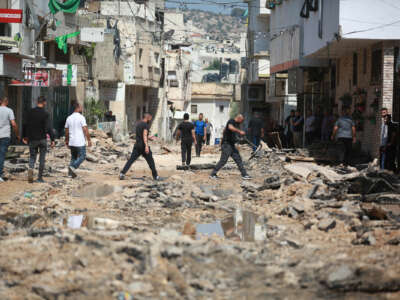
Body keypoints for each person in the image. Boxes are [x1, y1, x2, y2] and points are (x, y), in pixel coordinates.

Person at [119, 113, 162, 181]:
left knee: (131, 160)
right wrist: (146, 146)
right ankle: (156, 176)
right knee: (151, 162)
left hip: (137, 145)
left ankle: (122, 174)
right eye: (150, 118)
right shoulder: (146, 125)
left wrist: (150, 137)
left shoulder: (138, 124)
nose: (150, 119)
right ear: (148, 117)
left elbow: (142, 135)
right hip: (143, 146)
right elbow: (144, 135)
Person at [23, 97, 55, 183]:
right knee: (42, 158)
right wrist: (52, 139)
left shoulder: (30, 112)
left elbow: (25, 125)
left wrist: (25, 136)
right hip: (42, 139)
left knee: (32, 156)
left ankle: (31, 168)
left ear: (37, 102)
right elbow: (49, 128)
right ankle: (39, 178)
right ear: (44, 102)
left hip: (32, 139)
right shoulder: (46, 114)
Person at [210, 114, 251, 180]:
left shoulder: (237, 124)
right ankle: (213, 174)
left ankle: (244, 174)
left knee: (238, 159)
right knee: (223, 160)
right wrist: (239, 131)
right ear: (239, 118)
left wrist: (237, 138)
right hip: (226, 145)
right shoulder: (231, 121)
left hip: (231, 145)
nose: (242, 122)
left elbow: (225, 131)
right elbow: (230, 127)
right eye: (242, 121)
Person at [65, 103, 92, 178]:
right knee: (82, 156)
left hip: (72, 142)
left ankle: (70, 174)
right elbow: (85, 129)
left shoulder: (69, 118)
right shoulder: (81, 117)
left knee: (73, 157)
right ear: (77, 108)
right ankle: (73, 167)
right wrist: (89, 140)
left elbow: (66, 131)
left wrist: (66, 140)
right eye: (80, 107)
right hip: (80, 142)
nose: (81, 108)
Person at [0, 97, 20, 182]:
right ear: (7, 102)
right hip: (5, 136)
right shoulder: (9, 110)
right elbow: (14, 124)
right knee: (1, 155)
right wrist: (17, 134)